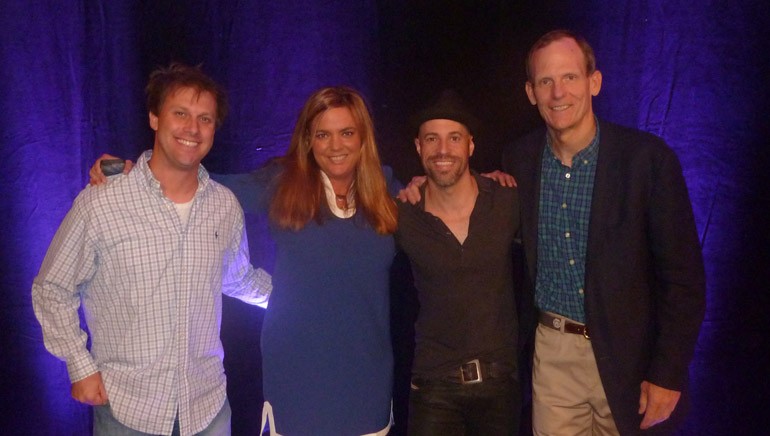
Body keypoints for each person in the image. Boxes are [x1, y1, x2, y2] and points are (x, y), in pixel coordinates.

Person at [91, 86, 400, 435]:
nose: (335, 145)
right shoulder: (283, 183)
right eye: (322, 135)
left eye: (346, 133)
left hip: (366, 383)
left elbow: (443, 206)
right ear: (308, 140)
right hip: (299, 379)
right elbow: (199, 184)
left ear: (363, 138)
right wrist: (132, 171)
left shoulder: (388, 189)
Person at [32, 63, 272, 436]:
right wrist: (81, 366)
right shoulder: (103, 202)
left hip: (207, 408)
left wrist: (301, 303)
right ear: (155, 118)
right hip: (128, 410)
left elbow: (238, 279)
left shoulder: (224, 207)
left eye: (205, 118)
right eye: (181, 113)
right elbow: (52, 288)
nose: (192, 128)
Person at [502, 30, 706, 435]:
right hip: (553, 353)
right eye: (545, 81)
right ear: (530, 92)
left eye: (570, 77)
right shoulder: (518, 159)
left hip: (628, 357)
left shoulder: (647, 160)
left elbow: (683, 279)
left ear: (594, 81)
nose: (558, 92)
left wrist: (667, 371)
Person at [395, 90, 522, 435]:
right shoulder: (402, 215)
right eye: (431, 139)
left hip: (500, 385)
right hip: (434, 388)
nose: (443, 150)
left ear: (470, 145)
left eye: (454, 138)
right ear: (419, 148)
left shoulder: (507, 201)